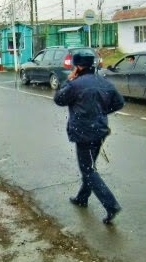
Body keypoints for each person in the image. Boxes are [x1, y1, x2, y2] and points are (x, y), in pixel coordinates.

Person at [53, 51, 125, 224]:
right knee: (90, 166)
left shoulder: (75, 84)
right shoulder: (103, 81)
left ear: (77, 67)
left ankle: (111, 205)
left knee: (88, 169)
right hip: (99, 130)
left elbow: (59, 99)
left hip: (83, 133)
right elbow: (119, 102)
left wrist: (68, 80)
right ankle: (82, 198)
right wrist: (100, 112)